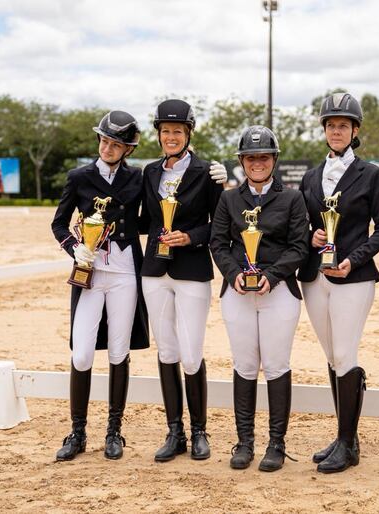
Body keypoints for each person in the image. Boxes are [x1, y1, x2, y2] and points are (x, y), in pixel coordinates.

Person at [297, 93, 379, 474]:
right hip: (316, 277)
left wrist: (355, 258)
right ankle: (345, 438)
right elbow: (301, 224)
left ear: (355, 131)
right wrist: (311, 237)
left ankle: (348, 443)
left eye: (343, 125)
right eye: (331, 125)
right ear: (324, 130)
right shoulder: (310, 177)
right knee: (331, 356)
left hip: (353, 277)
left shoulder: (370, 175)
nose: (336, 131)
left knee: (345, 353)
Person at [50, 110, 150, 461]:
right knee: (81, 352)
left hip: (124, 272)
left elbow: (150, 219)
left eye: (116, 145)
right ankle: (77, 432)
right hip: (89, 273)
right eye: (105, 141)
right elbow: (59, 223)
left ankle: (114, 431)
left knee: (119, 351)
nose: (108, 148)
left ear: (128, 149)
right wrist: (73, 248)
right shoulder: (79, 177)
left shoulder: (137, 178)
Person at [210, 125, 309, 472]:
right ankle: (244, 442)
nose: (257, 163)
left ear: (274, 160)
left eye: (264, 157)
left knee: (277, 365)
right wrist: (232, 273)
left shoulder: (292, 199)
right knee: (244, 365)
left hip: (278, 292)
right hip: (238, 292)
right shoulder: (228, 199)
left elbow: (299, 247)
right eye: (251, 158)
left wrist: (272, 276)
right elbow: (219, 243)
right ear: (242, 161)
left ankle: (277, 443)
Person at [140, 99, 226, 462]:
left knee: (191, 354)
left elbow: (220, 224)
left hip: (191, 270)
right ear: (159, 135)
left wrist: (190, 236)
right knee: (167, 351)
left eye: (177, 131)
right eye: (165, 131)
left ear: (188, 134)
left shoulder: (208, 173)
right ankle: (175, 431)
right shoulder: (148, 172)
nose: (171, 137)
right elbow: (143, 219)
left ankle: (199, 431)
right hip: (155, 272)